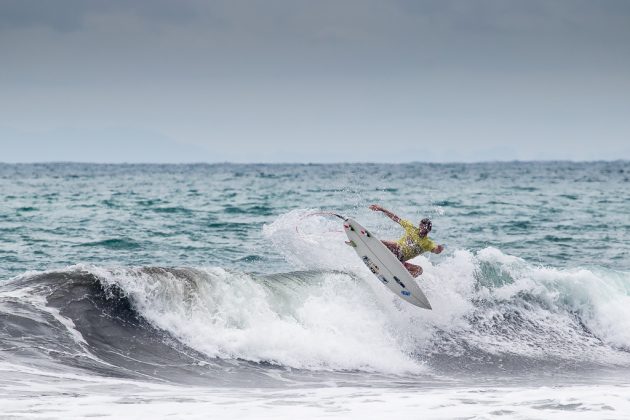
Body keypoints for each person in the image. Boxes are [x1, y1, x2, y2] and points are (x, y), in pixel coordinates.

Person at [368, 204, 444, 277]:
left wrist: (439, 250)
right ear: (419, 225)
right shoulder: (411, 228)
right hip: (394, 251)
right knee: (393, 245)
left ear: (428, 230)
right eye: (421, 225)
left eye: (424, 227)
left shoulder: (428, 243)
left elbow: (435, 250)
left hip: (400, 262)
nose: (421, 228)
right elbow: (396, 218)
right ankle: (370, 247)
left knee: (419, 270)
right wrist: (381, 209)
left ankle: (401, 279)